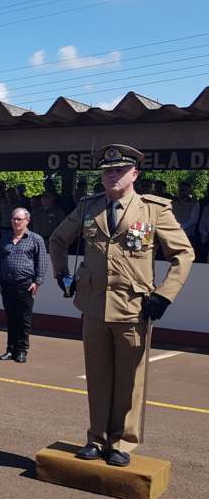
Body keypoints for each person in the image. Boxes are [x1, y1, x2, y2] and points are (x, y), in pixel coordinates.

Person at [49, 145, 193, 466]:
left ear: (134, 174)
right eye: (107, 171)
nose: (112, 176)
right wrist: (62, 273)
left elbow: (183, 254)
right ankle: (97, 438)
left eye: (118, 171)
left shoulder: (154, 209)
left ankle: (123, 442)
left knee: (130, 378)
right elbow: (58, 239)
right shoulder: (88, 207)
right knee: (98, 374)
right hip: (93, 305)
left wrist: (165, 295)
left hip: (134, 307)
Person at [0, 208, 46, 363]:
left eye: (19, 219)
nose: (16, 222)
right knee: (11, 318)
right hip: (7, 285)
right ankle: (10, 349)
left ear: (27, 221)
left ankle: (22, 350)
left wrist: (37, 282)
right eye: (14, 219)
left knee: (24, 319)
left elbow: (41, 262)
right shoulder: (5, 239)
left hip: (26, 285)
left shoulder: (36, 239)